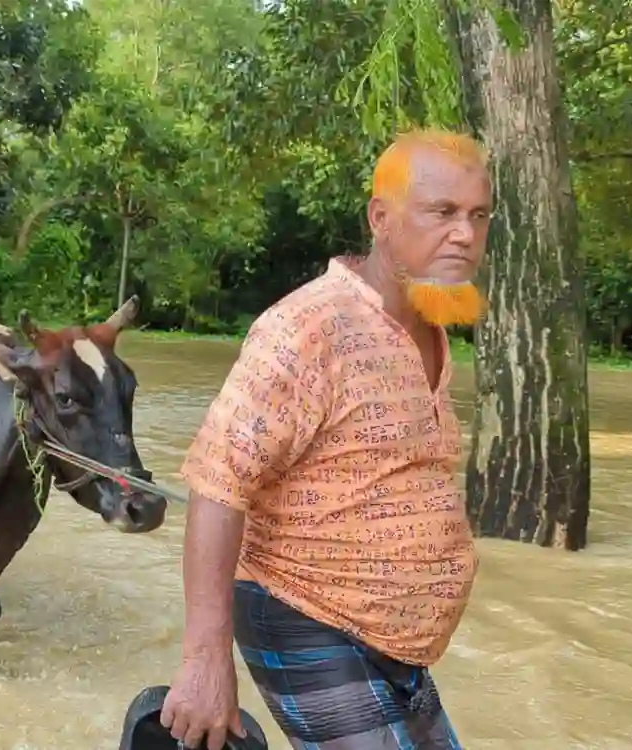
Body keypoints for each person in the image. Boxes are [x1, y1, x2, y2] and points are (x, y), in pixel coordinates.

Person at [159, 127, 493, 750]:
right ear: (382, 218)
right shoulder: (307, 328)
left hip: (389, 639)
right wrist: (205, 661)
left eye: (479, 216)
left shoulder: (429, 324)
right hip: (302, 613)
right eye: (442, 213)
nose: (466, 235)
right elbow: (217, 483)